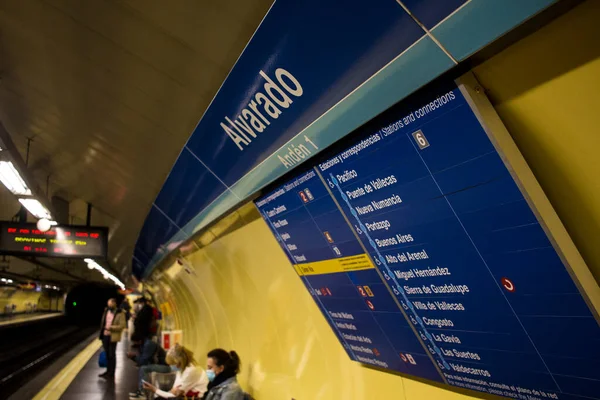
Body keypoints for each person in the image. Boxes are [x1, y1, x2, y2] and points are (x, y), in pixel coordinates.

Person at [143, 344, 208, 399]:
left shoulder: (191, 370)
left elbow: (174, 395)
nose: (171, 366)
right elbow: (173, 392)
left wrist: (154, 389)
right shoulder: (182, 369)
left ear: (178, 363)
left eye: (171, 364)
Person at [128, 335, 171, 399]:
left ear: (139, 341)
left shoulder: (149, 345)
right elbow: (144, 359)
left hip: (165, 367)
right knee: (142, 368)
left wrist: (133, 357)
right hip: (159, 365)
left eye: (135, 342)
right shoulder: (144, 344)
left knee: (143, 368)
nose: (134, 344)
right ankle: (141, 391)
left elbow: (143, 361)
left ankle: (142, 393)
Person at [99, 298, 126, 379]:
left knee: (111, 355)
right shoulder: (106, 311)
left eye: (110, 304)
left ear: (114, 304)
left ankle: (111, 373)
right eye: (108, 304)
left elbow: (122, 325)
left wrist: (111, 327)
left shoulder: (120, 313)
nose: (109, 306)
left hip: (113, 336)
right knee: (107, 354)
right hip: (105, 335)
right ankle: (107, 371)